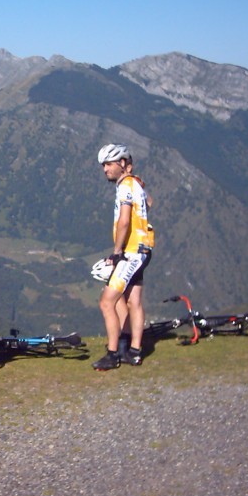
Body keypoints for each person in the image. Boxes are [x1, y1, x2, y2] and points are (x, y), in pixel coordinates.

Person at [93, 143, 154, 371]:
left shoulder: (125, 186)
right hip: (144, 250)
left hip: (131, 253)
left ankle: (113, 354)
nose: (104, 169)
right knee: (133, 301)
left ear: (121, 164)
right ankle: (134, 352)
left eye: (108, 164)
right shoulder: (135, 183)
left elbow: (124, 221)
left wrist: (116, 253)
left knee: (107, 301)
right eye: (103, 165)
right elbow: (150, 203)